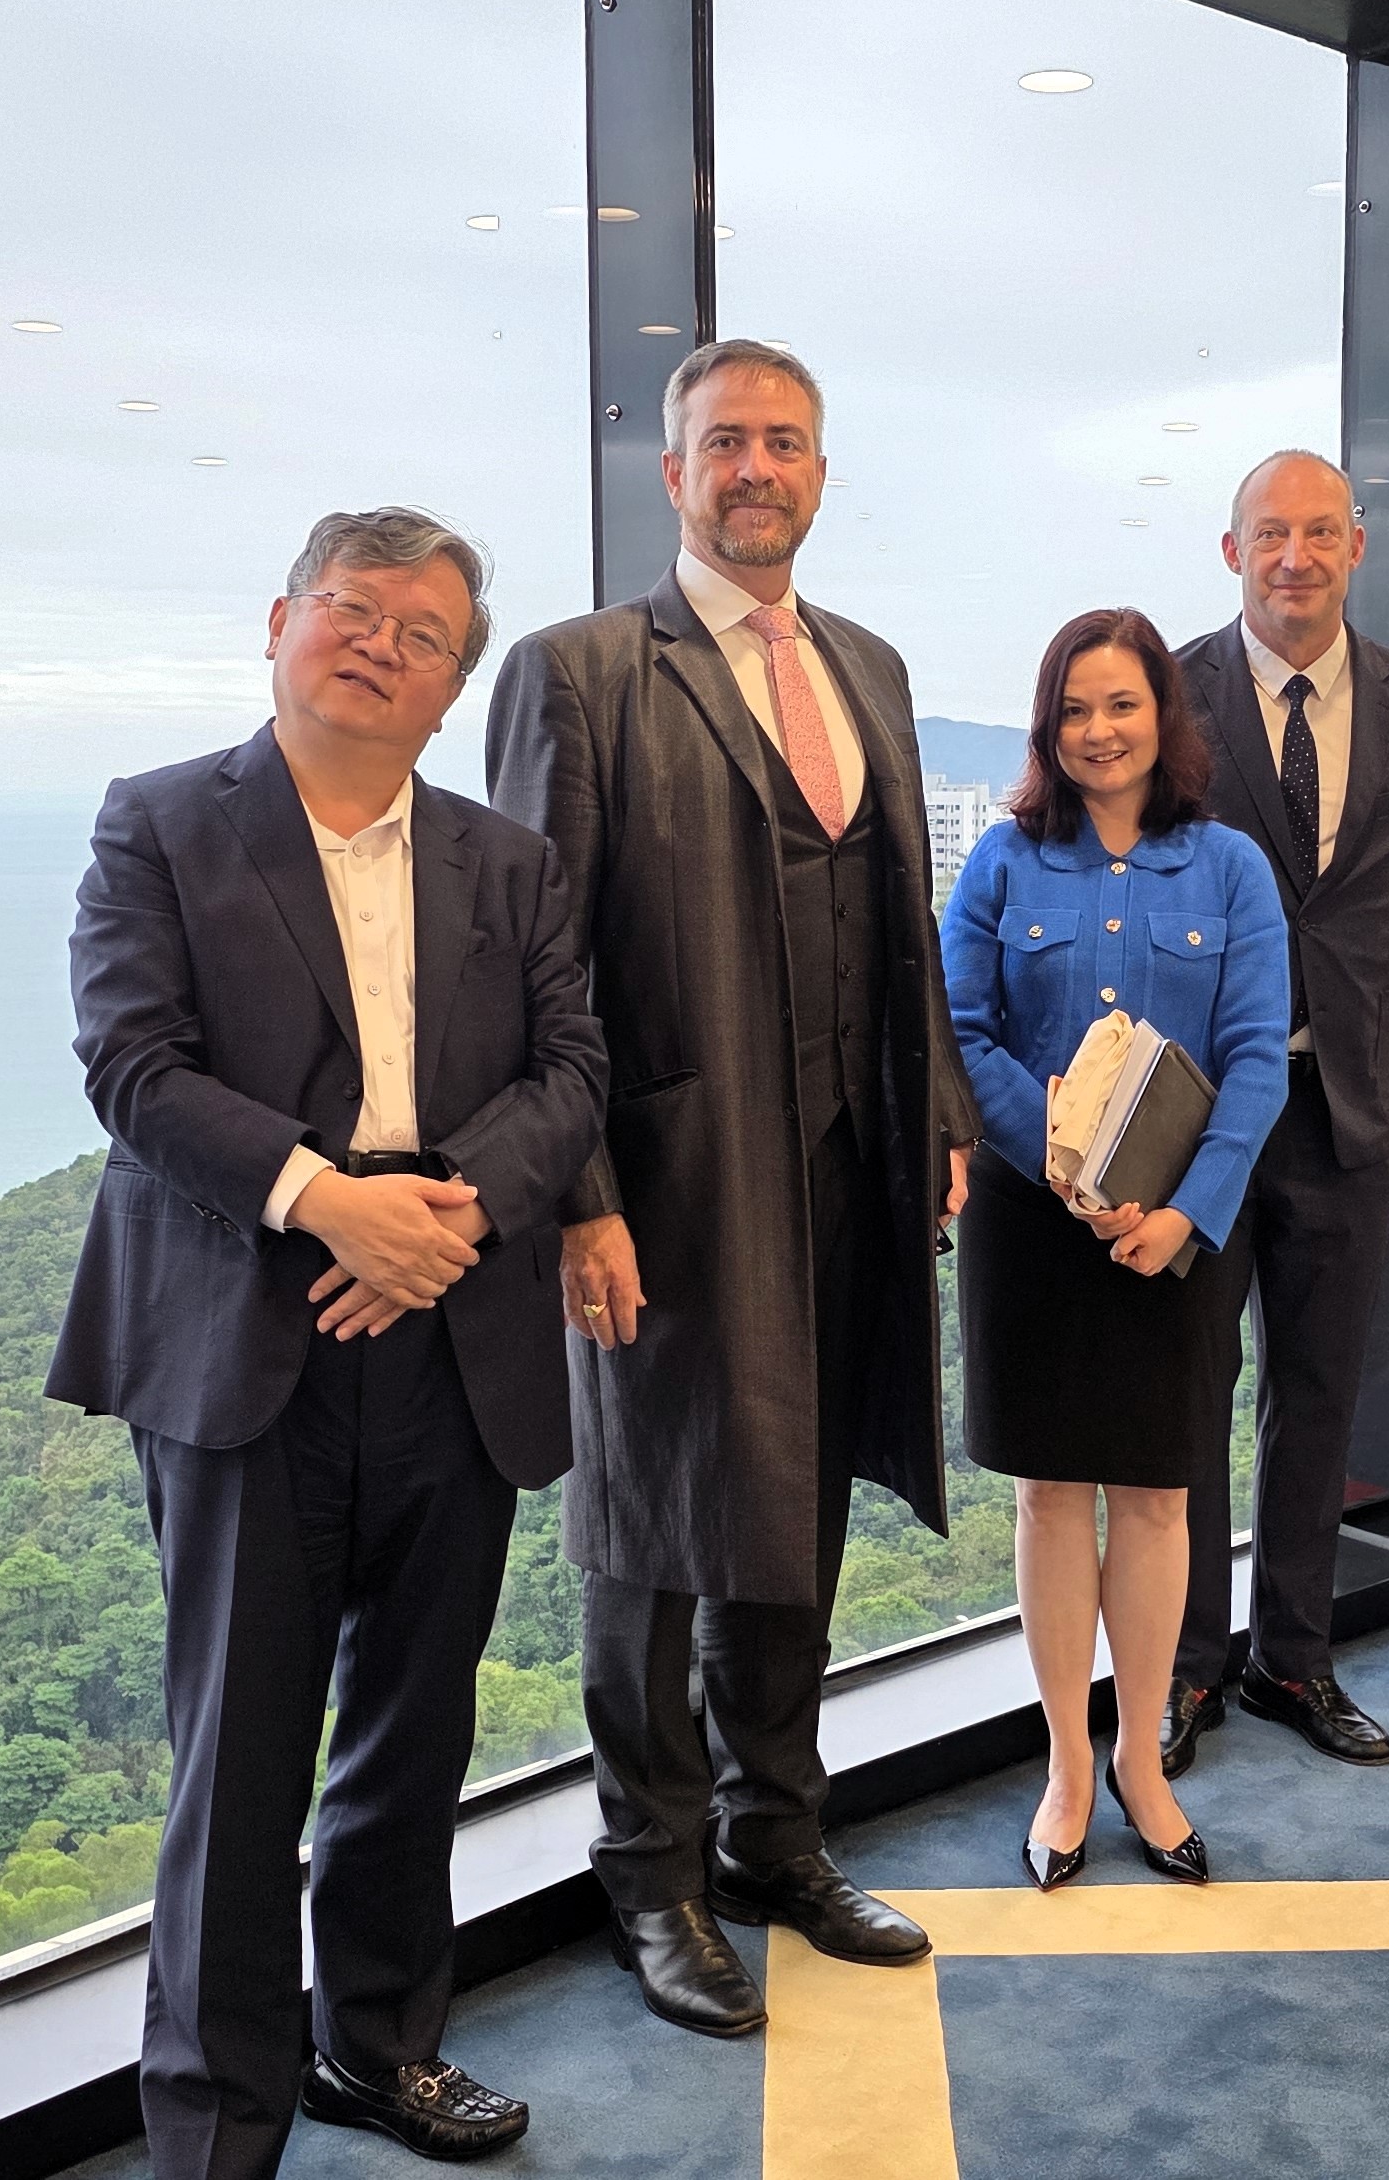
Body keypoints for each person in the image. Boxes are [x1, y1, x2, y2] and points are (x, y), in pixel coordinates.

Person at [48, 509, 606, 2174]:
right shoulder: (161, 821)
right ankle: (216, 2130)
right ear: (280, 619)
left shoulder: (507, 860)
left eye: (421, 634)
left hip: (451, 1326)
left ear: (451, 688)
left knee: (415, 1729)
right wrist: (326, 1205)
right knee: (239, 1761)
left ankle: (379, 2046)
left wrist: (439, 1221)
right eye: (352, 610)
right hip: (247, 1333)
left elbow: (574, 1072)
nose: (379, 644)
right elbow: (132, 1066)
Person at [484, 340, 977, 2038]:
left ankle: (776, 1837)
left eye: (785, 441)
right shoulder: (577, 672)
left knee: (798, 1507)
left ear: (820, 472)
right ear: (673, 470)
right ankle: (651, 1874)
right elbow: (534, 963)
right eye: (725, 442)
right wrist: (578, 1194)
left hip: (853, 1166)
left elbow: (903, 919)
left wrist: (941, 1116)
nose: (755, 467)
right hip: (667, 1186)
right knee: (649, 1536)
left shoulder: (871, 668)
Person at [942, 608, 1291, 1890]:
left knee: (1156, 1495)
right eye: (1075, 709)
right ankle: (1066, 1768)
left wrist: (1185, 1210)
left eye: (1123, 704)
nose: (1099, 730)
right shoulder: (1002, 859)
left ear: (1164, 716)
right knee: (1047, 1495)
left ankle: (1141, 1757)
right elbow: (959, 1028)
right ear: (1049, 728)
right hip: (1035, 1219)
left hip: (1175, 1227)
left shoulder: (1230, 868)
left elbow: (1256, 1057)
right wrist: (1064, 1156)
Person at [1164, 450, 1389, 1776]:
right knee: (1188, 1393)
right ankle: (1184, 1663)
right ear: (1231, 550)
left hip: (1347, 1102)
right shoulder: (1170, 689)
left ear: (1356, 546)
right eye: (1269, 532)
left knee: (1319, 1390)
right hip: (1197, 1111)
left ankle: (1293, 1656)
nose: (1295, 556)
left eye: (1319, 532)